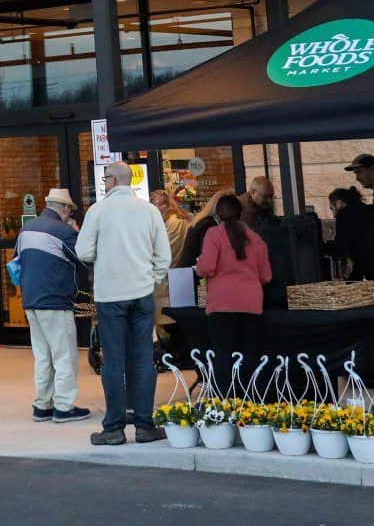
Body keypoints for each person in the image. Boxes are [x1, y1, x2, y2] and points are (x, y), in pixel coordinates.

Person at [75, 161, 171, 446]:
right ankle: (145, 425)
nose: (103, 183)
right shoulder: (149, 211)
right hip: (141, 293)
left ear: (114, 180)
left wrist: (103, 261)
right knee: (143, 359)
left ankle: (114, 428)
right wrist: (150, 277)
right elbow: (163, 256)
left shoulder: (98, 212)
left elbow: (83, 251)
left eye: (105, 178)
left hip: (110, 295)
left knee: (113, 361)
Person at [16, 187, 90, 424]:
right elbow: (83, 257)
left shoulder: (26, 230)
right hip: (55, 301)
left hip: (31, 301)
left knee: (42, 355)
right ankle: (64, 407)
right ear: (64, 209)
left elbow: (16, 262)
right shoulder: (63, 231)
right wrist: (76, 233)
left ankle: (42, 405)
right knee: (64, 355)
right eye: (70, 210)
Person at [193, 192, 272, 389]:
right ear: (241, 213)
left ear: (218, 216)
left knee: (223, 357)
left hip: (221, 305)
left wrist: (199, 268)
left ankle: (227, 402)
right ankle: (252, 400)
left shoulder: (214, 234)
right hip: (251, 304)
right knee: (250, 356)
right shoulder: (256, 238)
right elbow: (266, 277)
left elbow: (207, 267)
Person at [241, 176, 293, 309]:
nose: (269, 200)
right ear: (253, 192)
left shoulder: (260, 207)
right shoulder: (243, 211)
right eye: (265, 196)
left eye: (271, 196)